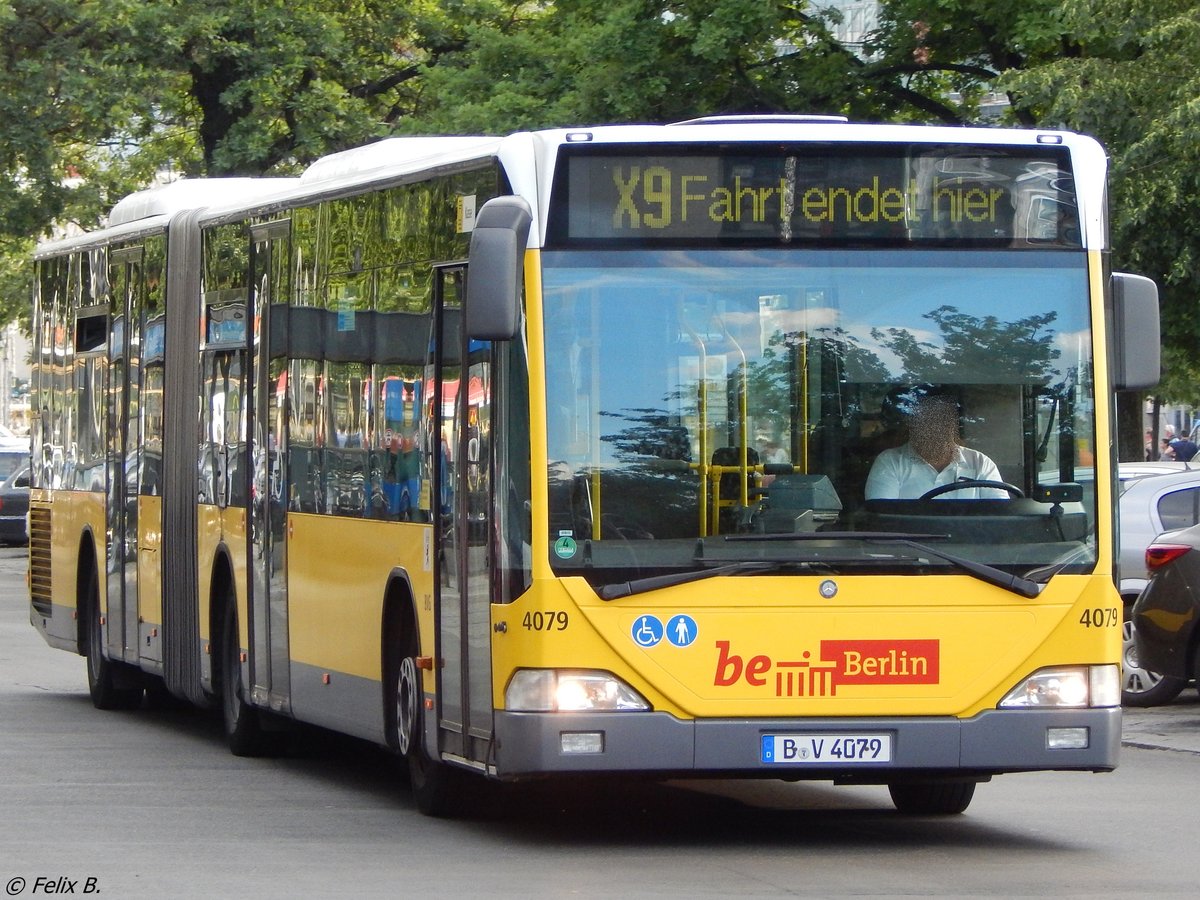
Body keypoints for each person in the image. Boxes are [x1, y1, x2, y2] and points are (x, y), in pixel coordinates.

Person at [865, 395, 1008, 500]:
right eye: (928, 422)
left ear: (953, 426)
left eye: (943, 421)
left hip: (969, 540)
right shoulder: (890, 462)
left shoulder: (980, 463)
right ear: (914, 426)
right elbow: (882, 517)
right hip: (910, 541)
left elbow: (1000, 514)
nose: (936, 428)